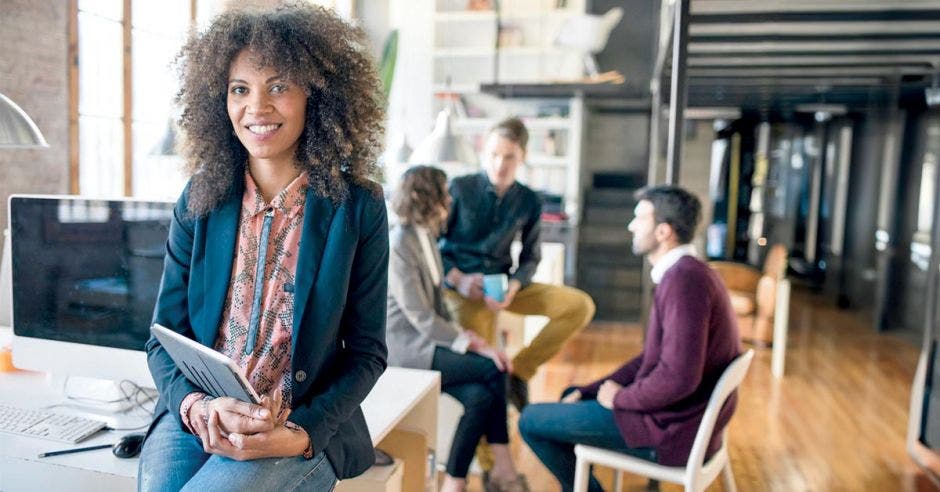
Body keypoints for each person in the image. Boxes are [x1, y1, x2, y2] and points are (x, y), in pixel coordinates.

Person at [138, 4, 389, 491]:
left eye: (278, 86)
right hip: (204, 411)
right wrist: (197, 406)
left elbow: (366, 353)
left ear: (314, 96)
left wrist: (300, 434)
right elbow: (162, 337)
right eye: (240, 89)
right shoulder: (200, 198)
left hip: (298, 425)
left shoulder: (358, 207)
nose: (257, 107)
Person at [518, 186, 741, 492]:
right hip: (678, 419)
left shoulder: (684, 282)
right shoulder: (689, 273)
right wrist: (591, 390)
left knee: (530, 420)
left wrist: (619, 398)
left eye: (639, 218)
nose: (631, 226)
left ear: (663, 231)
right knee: (573, 393)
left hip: (671, 430)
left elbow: (678, 378)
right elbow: (651, 358)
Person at [386, 165, 529, 492]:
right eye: (445, 193)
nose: (450, 199)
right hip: (408, 350)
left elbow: (435, 308)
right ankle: (503, 470)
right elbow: (421, 317)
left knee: (480, 397)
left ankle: (455, 481)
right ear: (426, 197)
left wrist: (467, 340)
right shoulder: (399, 244)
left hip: (429, 343)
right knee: (495, 369)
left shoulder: (426, 238)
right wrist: (474, 343)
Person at [440, 117, 595, 411]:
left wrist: (514, 285)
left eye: (509, 156)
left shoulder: (529, 200)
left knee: (579, 306)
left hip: (503, 285)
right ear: (484, 153)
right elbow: (432, 245)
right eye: (494, 155)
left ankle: (520, 371)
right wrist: (458, 278)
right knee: (485, 372)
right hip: (462, 290)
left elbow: (531, 256)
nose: (500, 164)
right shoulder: (459, 188)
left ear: (523, 156)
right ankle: (489, 456)